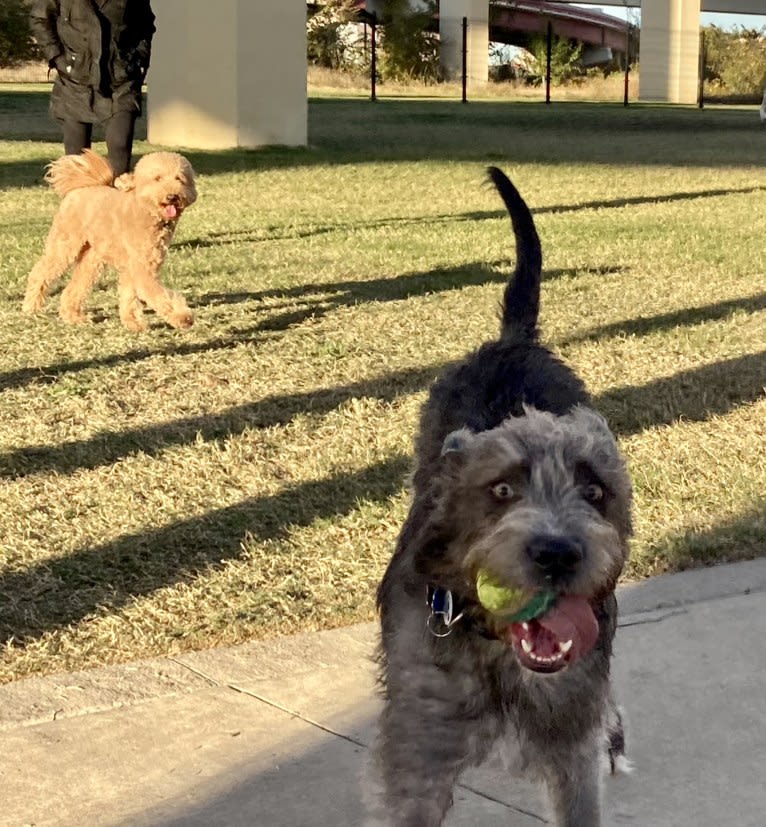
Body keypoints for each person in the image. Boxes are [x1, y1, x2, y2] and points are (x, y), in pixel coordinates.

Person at [30, 0, 155, 176]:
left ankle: (116, 201)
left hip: (120, 79)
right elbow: (40, 19)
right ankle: (77, 201)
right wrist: (58, 58)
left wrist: (138, 60)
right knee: (76, 157)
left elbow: (145, 25)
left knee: (120, 145)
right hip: (74, 78)